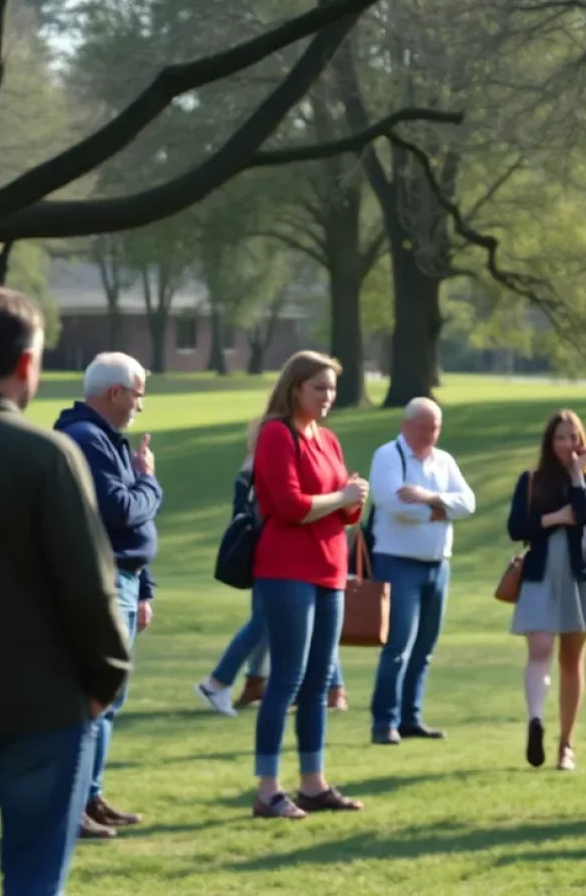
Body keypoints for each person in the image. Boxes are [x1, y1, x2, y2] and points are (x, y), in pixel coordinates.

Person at [0, 287, 131, 896]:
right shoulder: (47, 455)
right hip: (41, 708)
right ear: (26, 364)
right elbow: (89, 588)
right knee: (33, 877)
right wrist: (105, 681)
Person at [249, 351, 368, 819]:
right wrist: (341, 496)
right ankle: (267, 789)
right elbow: (290, 506)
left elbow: (345, 512)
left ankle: (313, 784)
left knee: (318, 683)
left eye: (332, 389)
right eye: (319, 387)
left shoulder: (329, 440)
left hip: (330, 569)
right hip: (287, 571)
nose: (327, 397)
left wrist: (352, 499)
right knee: (286, 681)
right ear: (295, 387)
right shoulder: (277, 435)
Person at [54, 352, 161, 840]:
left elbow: (137, 530)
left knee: (109, 700)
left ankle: (90, 796)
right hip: (104, 579)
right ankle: (72, 805)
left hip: (127, 580)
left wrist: (146, 588)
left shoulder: (106, 440)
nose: (142, 403)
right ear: (116, 393)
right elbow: (122, 511)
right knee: (93, 699)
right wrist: (149, 480)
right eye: (139, 393)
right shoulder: (86, 439)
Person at [196, 420, 348, 717]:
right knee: (264, 622)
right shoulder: (263, 462)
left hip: (277, 557)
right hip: (276, 557)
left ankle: (324, 688)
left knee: (272, 622)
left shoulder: (252, 464)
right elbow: (279, 508)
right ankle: (218, 681)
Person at [507, 410, 586, 772]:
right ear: (549, 443)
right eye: (561, 438)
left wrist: (576, 473)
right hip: (539, 576)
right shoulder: (531, 480)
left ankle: (566, 744)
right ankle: (536, 720)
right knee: (539, 648)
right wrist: (554, 518)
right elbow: (515, 526)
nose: (568, 444)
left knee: (571, 660)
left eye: (573, 437)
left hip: (580, 578)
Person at [369, 398, 476, 746]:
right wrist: (442, 508)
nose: (431, 434)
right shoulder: (389, 456)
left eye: (436, 428)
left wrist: (430, 498)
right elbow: (394, 504)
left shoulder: (443, 461)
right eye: (424, 427)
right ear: (406, 426)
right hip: (397, 562)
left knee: (425, 647)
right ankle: (384, 721)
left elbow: (468, 503)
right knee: (398, 645)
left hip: (437, 564)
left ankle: (410, 717)